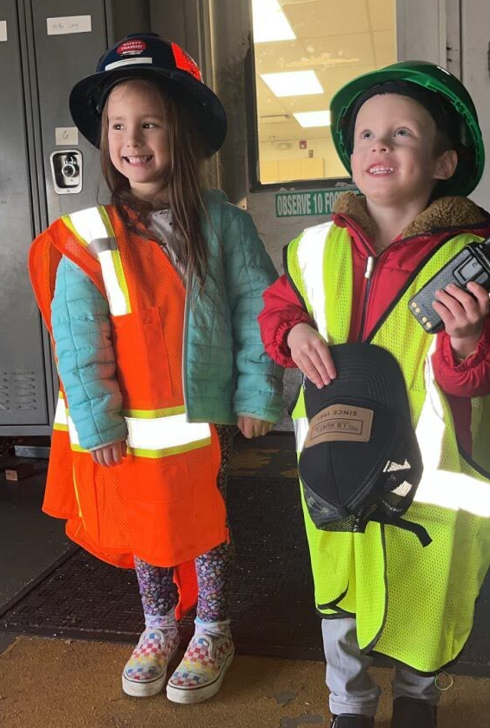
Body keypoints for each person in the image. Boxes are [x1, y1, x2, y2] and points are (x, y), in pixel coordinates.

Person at [29, 33, 282, 705]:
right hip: (131, 422)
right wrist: (96, 420)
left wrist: (260, 391)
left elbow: (262, 309)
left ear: (185, 135)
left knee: (205, 520)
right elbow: (77, 338)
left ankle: (213, 626)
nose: (130, 139)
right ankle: (158, 623)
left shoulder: (225, 225)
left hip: (205, 418)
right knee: (149, 522)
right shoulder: (92, 235)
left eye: (149, 124)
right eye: (116, 125)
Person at [258, 60, 490, 728]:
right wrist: (295, 330)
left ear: (445, 161)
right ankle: (349, 704)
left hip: (433, 483)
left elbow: (480, 378)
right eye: (366, 134)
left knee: (426, 596)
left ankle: (418, 701)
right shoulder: (314, 249)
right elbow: (277, 311)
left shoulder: (479, 263)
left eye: (401, 133)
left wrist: (465, 340)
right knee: (339, 591)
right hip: (335, 466)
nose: (378, 145)